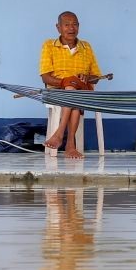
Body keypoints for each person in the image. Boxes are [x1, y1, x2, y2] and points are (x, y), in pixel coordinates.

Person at [39, 11, 111, 159]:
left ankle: (59, 134)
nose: (71, 28)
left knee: (73, 89)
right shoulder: (49, 45)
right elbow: (45, 78)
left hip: (81, 90)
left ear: (79, 27)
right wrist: (66, 82)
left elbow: (96, 77)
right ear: (58, 27)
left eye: (75, 24)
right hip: (57, 91)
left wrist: (86, 77)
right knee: (73, 92)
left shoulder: (86, 47)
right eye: (67, 25)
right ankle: (70, 144)